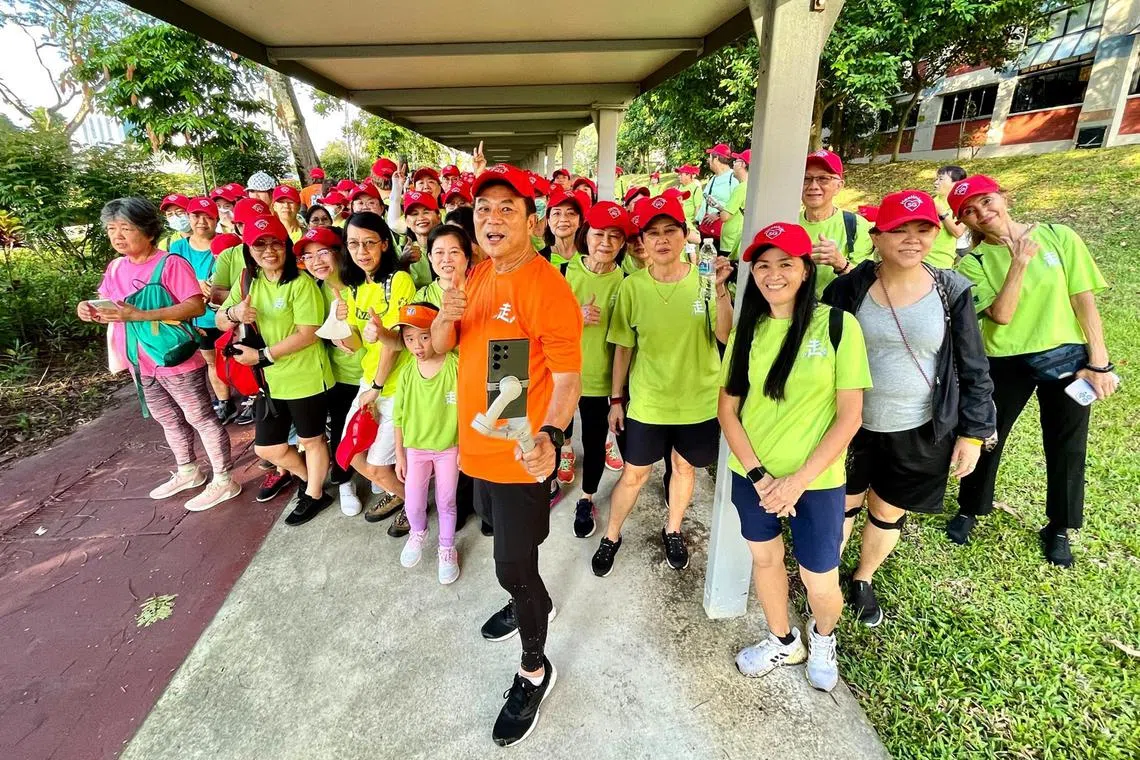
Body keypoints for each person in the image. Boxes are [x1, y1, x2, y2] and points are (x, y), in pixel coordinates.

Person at [430, 164, 581, 747]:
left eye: (507, 208)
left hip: (522, 457)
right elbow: (443, 347)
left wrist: (553, 436)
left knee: (512, 566)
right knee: (499, 540)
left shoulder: (547, 288)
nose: (492, 219)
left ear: (532, 221)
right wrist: (446, 311)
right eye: (483, 209)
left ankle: (535, 669)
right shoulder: (476, 275)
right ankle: (529, 601)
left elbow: (567, 379)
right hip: (477, 449)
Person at [822, 190, 995, 626]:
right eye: (899, 229)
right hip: (850, 424)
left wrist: (973, 434)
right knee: (842, 504)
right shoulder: (848, 288)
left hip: (919, 426)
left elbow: (973, 366)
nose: (912, 239)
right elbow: (818, 352)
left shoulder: (951, 291)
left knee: (888, 509)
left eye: (923, 229)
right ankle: (825, 579)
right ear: (876, 236)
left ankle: (863, 578)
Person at [720, 222, 870, 692]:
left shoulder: (839, 326)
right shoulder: (748, 330)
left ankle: (823, 637)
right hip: (753, 476)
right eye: (763, 265)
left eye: (785, 263)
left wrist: (797, 481)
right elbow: (727, 410)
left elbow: (850, 417)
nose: (773, 274)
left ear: (806, 270)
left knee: (819, 577)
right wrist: (761, 477)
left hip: (817, 482)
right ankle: (783, 639)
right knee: (765, 560)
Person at [947, 175, 1116, 567]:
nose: (981, 213)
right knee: (988, 435)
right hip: (1004, 360)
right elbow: (1001, 315)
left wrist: (1099, 362)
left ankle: (1059, 526)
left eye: (986, 201)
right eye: (969, 211)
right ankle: (970, 508)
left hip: (1067, 357)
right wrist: (1019, 262)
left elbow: (1083, 300)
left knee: (1068, 444)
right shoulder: (972, 263)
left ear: (1004, 197)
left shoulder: (1059, 237)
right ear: (963, 222)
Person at [594, 194, 733, 576]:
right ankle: (611, 535)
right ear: (642, 241)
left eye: (670, 230)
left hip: (698, 401)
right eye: (652, 233)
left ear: (685, 235)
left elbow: (724, 335)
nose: (662, 239)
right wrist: (616, 399)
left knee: (683, 468)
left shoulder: (705, 280)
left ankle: (672, 529)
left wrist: (721, 289)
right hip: (649, 401)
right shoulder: (632, 287)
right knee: (634, 474)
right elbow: (623, 347)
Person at [80, 197, 239, 512]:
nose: (117, 236)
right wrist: (87, 309)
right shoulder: (115, 267)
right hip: (140, 360)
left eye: (126, 228)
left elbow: (195, 306)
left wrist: (141, 315)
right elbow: (108, 304)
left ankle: (224, 480)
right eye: (111, 229)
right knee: (166, 418)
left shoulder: (170, 264)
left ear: (149, 231)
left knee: (200, 417)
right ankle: (188, 470)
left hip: (176, 358)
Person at [218, 215, 334, 525]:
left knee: (312, 440)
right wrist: (234, 312)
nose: (268, 251)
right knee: (268, 448)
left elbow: (308, 333)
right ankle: (310, 478)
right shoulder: (248, 280)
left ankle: (315, 494)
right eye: (260, 245)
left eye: (275, 243)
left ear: (286, 246)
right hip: (267, 380)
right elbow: (220, 319)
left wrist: (262, 355)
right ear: (249, 249)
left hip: (305, 375)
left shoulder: (301, 283)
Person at [340, 212, 417, 531]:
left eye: (369, 243)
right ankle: (401, 495)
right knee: (350, 453)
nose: (361, 251)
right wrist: (340, 325)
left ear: (385, 244)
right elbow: (355, 344)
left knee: (377, 466)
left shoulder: (399, 281)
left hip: (396, 386)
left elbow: (396, 343)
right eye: (353, 244)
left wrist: (376, 386)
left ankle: (414, 507)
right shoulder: (354, 287)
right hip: (369, 381)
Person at [561, 201, 632, 538]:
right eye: (599, 234)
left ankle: (586, 497)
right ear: (585, 235)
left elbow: (627, 340)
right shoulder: (562, 272)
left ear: (623, 243)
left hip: (601, 381)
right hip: (561, 375)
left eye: (614, 236)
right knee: (553, 436)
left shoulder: (627, 282)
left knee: (593, 441)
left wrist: (618, 396)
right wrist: (574, 316)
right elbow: (541, 322)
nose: (605, 242)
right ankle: (549, 483)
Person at [393, 303, 461, 584]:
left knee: (446, 500)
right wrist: (400, 455)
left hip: (449, 448)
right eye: (409, 339)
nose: (417, 346)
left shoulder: (456, 365)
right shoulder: (407, 373)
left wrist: (465, 448)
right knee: (413, 501)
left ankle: (447, 548)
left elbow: (468, 408)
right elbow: (398, 417)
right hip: (416, 449)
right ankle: (417, 532)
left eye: (424, 336)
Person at [297, 225, 363, 496]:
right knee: (340, 430)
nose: (316, 261)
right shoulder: (312, 290)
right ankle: (344, 481)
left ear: (340, 251)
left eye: (323, 252)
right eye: (308, 256)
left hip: (374, 372)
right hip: (338, 374)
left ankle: (380, 475)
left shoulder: (362, 282)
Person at [169, 196, 235, 422]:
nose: (201, 222)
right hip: (200, 317)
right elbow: (170, 280)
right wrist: (195, 284)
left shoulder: (229, 242)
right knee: (211, 360)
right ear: (189, 218)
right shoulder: (178, 248)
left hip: (229, 313)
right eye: (196, 216)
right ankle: (224, 402)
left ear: (216, 220)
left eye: (208, 217)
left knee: (238, 357)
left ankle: (252, 397)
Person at [799, 150, 874, 297]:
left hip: (837, 309)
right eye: (806, 179)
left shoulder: (856, 225)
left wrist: (840, 263)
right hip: (795, 308)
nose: (813, 186)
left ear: (839, 186)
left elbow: (866, 284)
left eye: (823, 179)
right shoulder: (789, 223)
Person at [698, 143, 739, 245]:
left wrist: (718, 214)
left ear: (716, 159)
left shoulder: (733, 178)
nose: (708, 160)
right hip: (706, 230)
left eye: (710, 157)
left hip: (721, 232)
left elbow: (737, 204)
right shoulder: (714, 178)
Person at [929, 165, 970, 268]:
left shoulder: (963, 205)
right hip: (921, 259)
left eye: (941, 179)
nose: (936, 183)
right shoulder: (931, 201)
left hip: (941, 263)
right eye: (936, 179)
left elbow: (957, 232)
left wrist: (942, 213)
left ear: (956, 184)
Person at [401, 190, 441, 290]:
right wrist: (403, 264)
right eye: (414, 214)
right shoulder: (400, 250)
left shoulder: (451, 245)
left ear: (439, 217)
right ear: (406, 221)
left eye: (426, 212)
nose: (421, 218)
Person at [717, 150, 750, 258]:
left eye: (736, 161)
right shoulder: (750, 186)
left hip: (731, 243)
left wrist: (720, 209)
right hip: (738, 240)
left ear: (742, 164)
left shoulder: (741, 188)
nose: (733, 164)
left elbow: (725, 216)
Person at [543, 188, 588, 267]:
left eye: (571, 213)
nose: (563, 219)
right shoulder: (539, 259)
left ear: (580, 222)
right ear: (548, 221)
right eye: (557, 213)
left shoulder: (590, 257)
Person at [674, 164, 704, 229]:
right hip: (677, 222)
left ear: (688, 175)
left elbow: (698, 207)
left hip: (689, 224)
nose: (679, 176)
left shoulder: (696, 189)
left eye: (681, 174)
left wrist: (695, 223)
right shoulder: (678, 188)